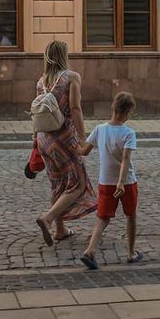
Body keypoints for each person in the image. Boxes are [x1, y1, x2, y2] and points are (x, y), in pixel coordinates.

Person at [33, 40, 98, 245]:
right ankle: (48, 218)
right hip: (64, 138)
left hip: (44, 139)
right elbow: (76, 109)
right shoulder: (71, 77)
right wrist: (83, 139)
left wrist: (34, 141)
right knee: (77, 184)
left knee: (57, 183)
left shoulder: (41, 81)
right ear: (64, 55)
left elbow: (37, 114)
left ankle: (60, 230)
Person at [78, 92, 142, 269]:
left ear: (113, 108)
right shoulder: (128, 133)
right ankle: (130, 253)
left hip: (105, 181)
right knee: (131, 216)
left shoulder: (100, 129)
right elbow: (126, 159)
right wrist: (121, 182)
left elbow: (84, 151)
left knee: (102, 217)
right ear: (128, 111)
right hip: (127, 182)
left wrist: (69, 145)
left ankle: (90, 250)